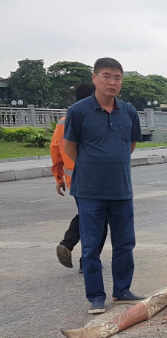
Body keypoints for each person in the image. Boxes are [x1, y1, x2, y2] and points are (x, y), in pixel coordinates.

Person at [63, 57, 143, 315]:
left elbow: (130, 145)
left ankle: (122, 290)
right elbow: (70, 148)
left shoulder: (128, 111)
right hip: (89, 192)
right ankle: (96, 297)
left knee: (124, 243)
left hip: (121, 190)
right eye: (107, 76)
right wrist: (93, 168)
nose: (112, 82)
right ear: (94, 78)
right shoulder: (78, 111)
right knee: (90, 246)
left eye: (117, 77)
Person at [52, 83, 107, 274]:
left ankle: (68, 245)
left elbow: (55, 150)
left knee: (88, 213)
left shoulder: (62, 121)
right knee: (99, 217)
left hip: (72, 179)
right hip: (93, 177)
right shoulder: (91, 118)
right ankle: (87, 260)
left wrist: (58, 178)